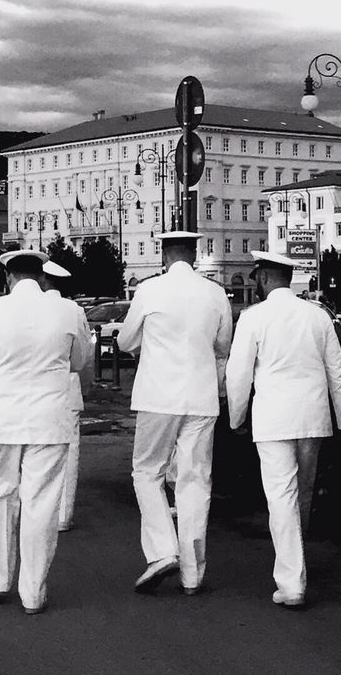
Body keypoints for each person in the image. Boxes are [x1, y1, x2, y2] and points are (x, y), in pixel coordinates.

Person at [0, 248, 92, 614]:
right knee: (41, 503)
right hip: (49, 419)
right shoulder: (69, 311)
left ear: (7, 278)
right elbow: (79, 362)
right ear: (43, 276)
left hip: (0, 419)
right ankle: (33, 591)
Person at [225, 245, 341, 609]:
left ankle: (292, 582)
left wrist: (237, 417)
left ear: (266, 279)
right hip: (313, 418)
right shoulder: (317, 316)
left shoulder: (254, 317)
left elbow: (238, 374)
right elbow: (338, 373)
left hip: (272, 420)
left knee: (280, 498)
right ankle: (296, 567)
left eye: (258, 279)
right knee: (302, 495)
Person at [117, 230, 233, 596]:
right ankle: (193, 574)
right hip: (200, 397)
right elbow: (223, 345)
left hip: (157, 395)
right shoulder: (215, 293)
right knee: (196, 480)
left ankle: (163, 550)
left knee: (147, 472)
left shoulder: (149, 290)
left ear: (164, 256)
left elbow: (124, 341)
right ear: (195, 255)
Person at [38, 259, 89, 532]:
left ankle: (39, 513)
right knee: (68, 455)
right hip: (67, 389)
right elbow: (81, 356)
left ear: (43, 280)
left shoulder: (29, 309)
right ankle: (62, 517)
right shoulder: (74, 310)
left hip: (34, 391)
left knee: (36, 455)